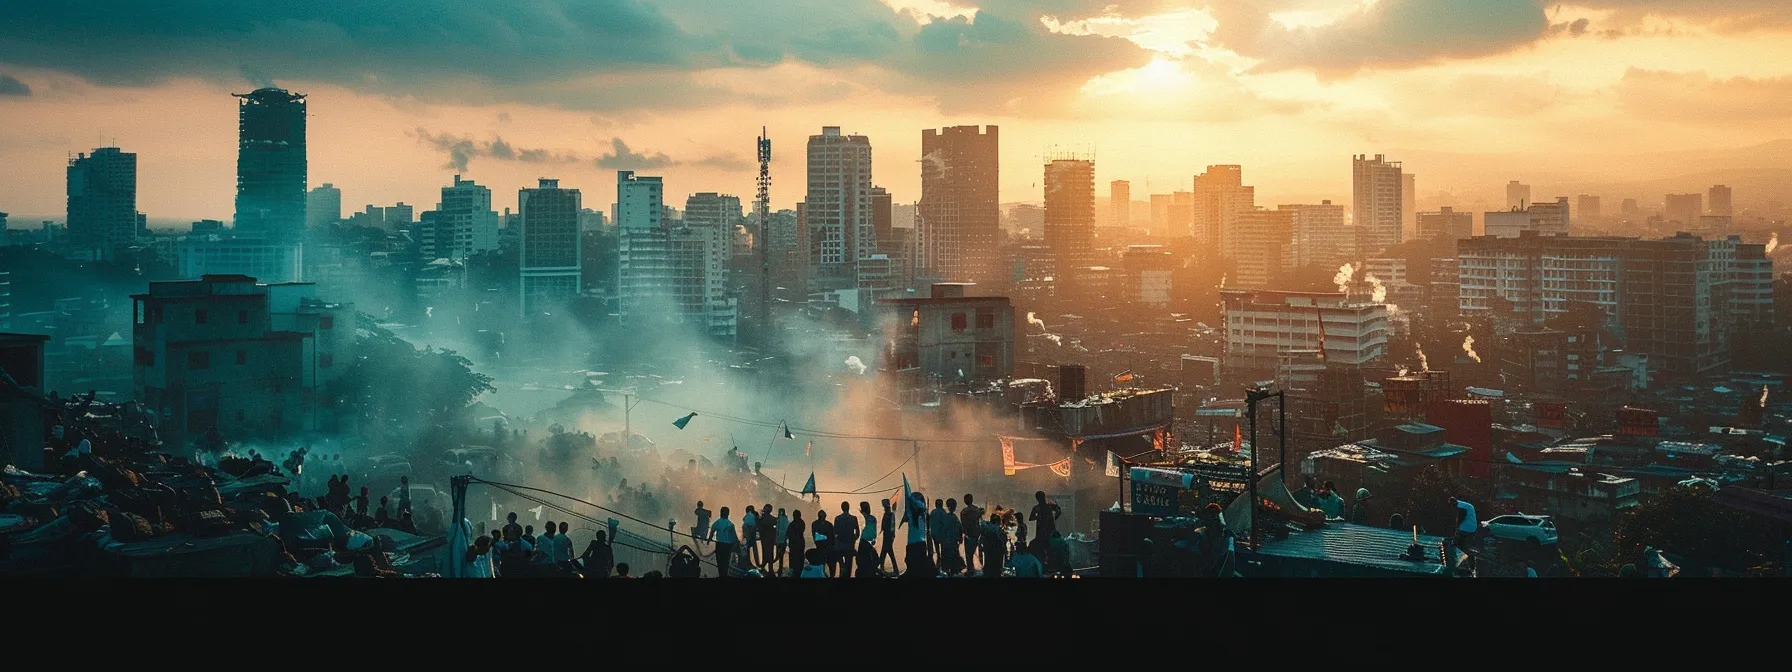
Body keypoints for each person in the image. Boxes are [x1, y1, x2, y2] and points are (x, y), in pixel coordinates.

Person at [901, 491, 935, 578]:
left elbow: (904, 519)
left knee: (913, 562)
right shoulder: (923, 515)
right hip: (920, 542)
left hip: (914, 543)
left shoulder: (912, 515)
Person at [833, 501, 860, 579]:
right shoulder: (853, 518)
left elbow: (835, 532)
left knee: (841, 565)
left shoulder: (837, 518)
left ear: (842, 508)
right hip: (849, 545)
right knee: (849, 565)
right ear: (848, 508)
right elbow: (857, 532)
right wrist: (854, 538)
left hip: (840, 545)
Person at [709, 506, 738, 578]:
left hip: (719, 545)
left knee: (719, 562)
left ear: (720, 513)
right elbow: (734, 537)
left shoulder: (717, 522)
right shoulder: (730, 524)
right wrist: (736, 544)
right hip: (727, 546)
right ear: (728, 514)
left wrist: (709, 540)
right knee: (726, 562)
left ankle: (721, 575)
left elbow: (712, 532)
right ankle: (724, 575)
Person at [959, 493, 984, 575]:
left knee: (968, 554)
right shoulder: (976, 510)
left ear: (965, 501)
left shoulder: (963, 512)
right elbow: (980, 520)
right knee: (976, 551)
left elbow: (963, 524)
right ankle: (981, 567)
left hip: (968, 535)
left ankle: (970, 569)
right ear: (972, 500)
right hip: (976, 534)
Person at [856, 501, 879, 577]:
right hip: (870, 540)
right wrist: (873, 539)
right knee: (870, 558)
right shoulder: (873, 518)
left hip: (864, 539)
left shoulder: (865, 516)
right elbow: (875, 530)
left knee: (862, 558)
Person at [980, 512, 1007, 577]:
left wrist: (980, 514)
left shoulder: (985, 527)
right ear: (998, 521)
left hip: (988, 551)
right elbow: (1003, 540)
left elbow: (981, 522)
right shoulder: (998, 529)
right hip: (997, 553)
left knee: (988, 567)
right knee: (996, 570)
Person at [810, 508, 835, 577]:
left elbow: (815, 537)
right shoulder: (829, 524)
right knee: (831, 567)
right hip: (828, 549)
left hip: (820, 548)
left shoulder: (814, 524)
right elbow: (832, 538)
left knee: (821, 566)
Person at [878, 498, 899, 573]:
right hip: (886, 535)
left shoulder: (890, 514)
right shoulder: (887, 514)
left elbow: (892, 526)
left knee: (887, 551)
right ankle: (881, 567)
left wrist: (892, 535)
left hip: (889, 536)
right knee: (886, 551)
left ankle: (881, 567)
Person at [785, 509, 807, 578]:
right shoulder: (801, 522)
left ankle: (794, 571)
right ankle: (798, 571)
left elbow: (788, 533)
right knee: (799, 558)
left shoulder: (793, 523)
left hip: (795, 544)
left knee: (794, 559)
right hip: (799, 543)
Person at [757, 503, 778, 570]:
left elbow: (759, 527)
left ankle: (764, 565)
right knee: (770, 552)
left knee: (765, 551)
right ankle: (770, 567)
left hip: (764, 538)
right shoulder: (773, 519)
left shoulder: (762, 518)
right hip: (771, 538)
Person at [741, 504, 761, 568]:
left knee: (746, 550)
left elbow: (746, 525)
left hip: (749, 536)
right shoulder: (755, 516)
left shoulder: (749, 516)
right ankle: (757, 564)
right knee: (754, 550)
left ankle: (747, 564)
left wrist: (746, 537)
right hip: (755, 536)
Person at [774, 507, 791, 573]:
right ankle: (780, 569)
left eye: (780, 512)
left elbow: (778, 530)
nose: (779, 513)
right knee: (780, 555)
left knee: (779, 555)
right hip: (782, 540)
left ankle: (780, 569)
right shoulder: (785, 519)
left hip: (781, 540)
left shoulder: (781, 519)